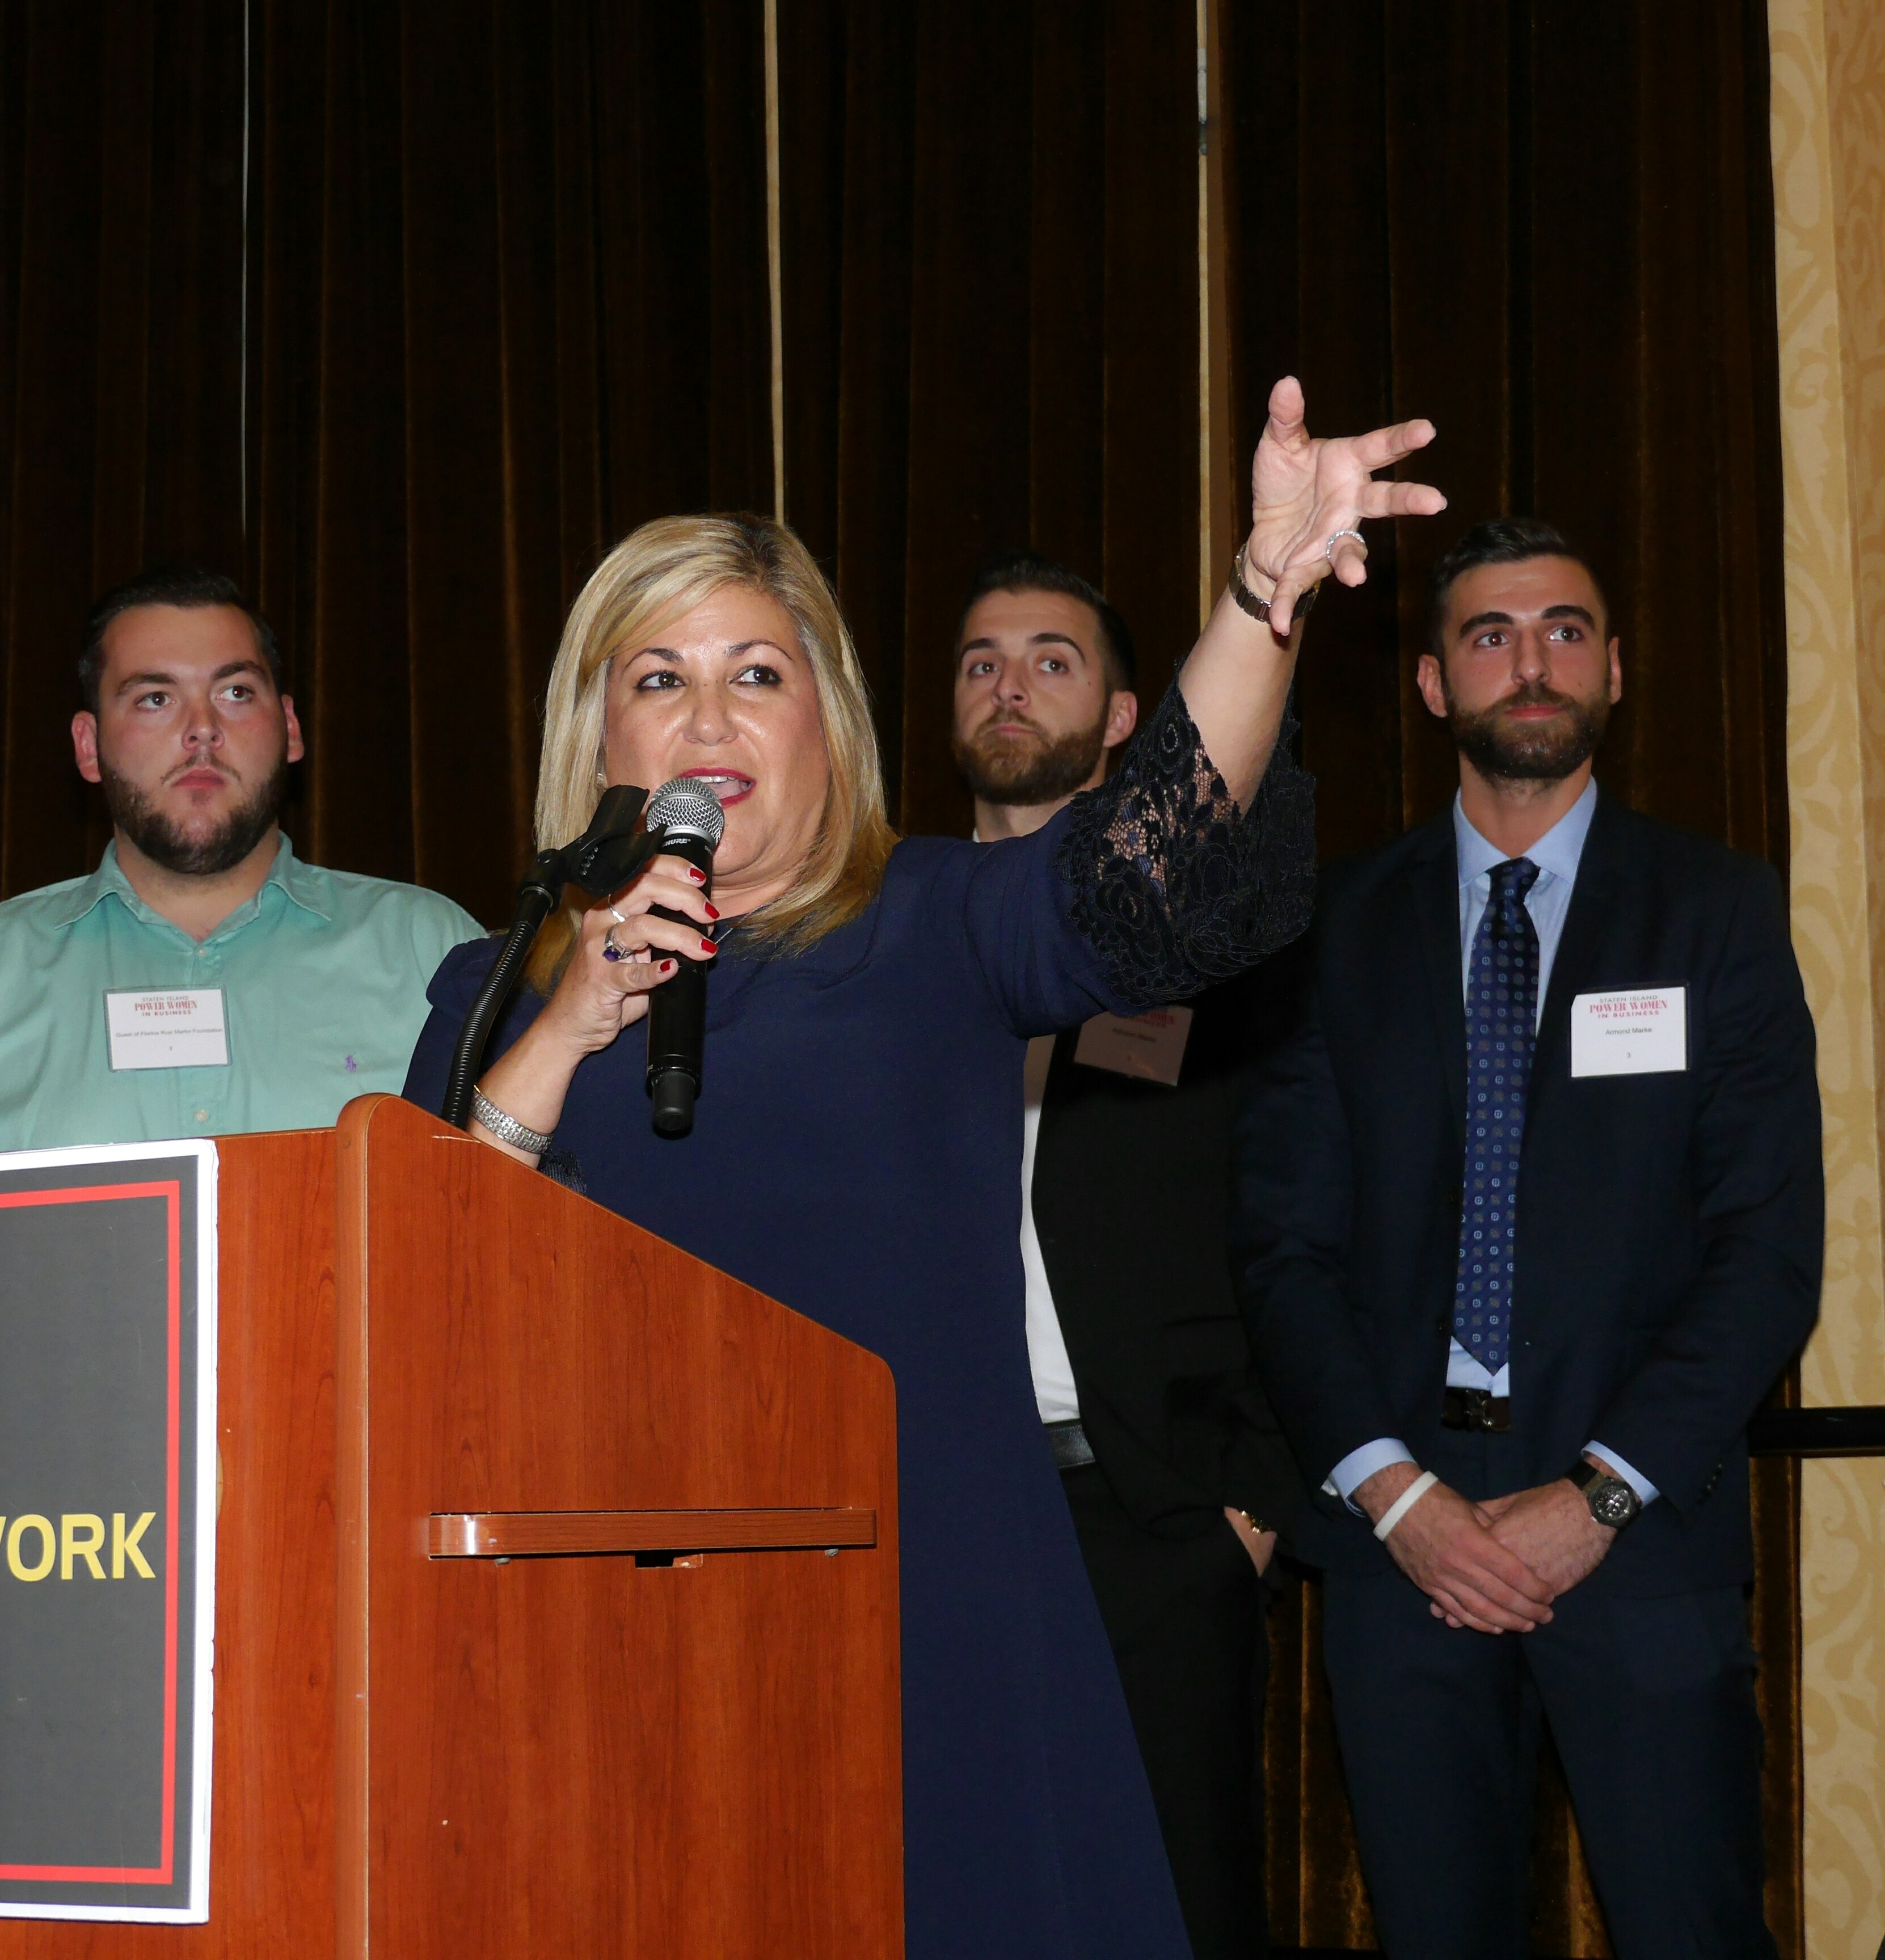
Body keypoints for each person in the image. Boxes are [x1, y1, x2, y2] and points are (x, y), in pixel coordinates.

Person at [402, 376, 1446, 1959]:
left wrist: (1259, 597)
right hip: (605, 1618)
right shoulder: (494, 989)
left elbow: (1152, 865)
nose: (708, 720)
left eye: (757, 674)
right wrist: (565, 1029)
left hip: (922, 1601)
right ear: (598, 730)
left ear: (825, 719)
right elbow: (425, 1291)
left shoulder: (938, 923)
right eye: (660, 677)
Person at [1231, 517, 1821, 1957]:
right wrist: (1398, 1500)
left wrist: (1596, 1496)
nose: (1531, 662)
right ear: (1435, 683)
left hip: (1641, 1540)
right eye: (1489, 635)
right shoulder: (1325, 928)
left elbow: (1767, 1250)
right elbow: (1282, 1248)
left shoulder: (1717, 909)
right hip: (1398, 1549)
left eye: (1565, 630)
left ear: (1614, 668)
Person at [951, 548, 1308, 1959]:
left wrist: (1251, 1506)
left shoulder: (1208, 941)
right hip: (942, 1514)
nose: (1009, 685)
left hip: (1158, 1517)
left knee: (1179, 1906)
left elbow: (1295, 1221)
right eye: (980, 661)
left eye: (1050, 660)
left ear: (1118, 715)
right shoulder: (889, 930)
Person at [0, 565, 479, 1161]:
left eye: (235, 691)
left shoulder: (433, 952)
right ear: (89, 746)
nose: (202, 729)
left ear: (289, 727)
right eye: (154, 698)